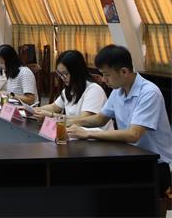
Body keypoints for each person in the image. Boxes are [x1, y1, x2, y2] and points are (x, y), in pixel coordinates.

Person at [68, 45, 171, 198]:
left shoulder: (149, 93)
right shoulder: (118, 91)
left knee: (101, 183)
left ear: (124, 71)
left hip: (155, 165)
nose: (104, 80)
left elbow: (133, 135)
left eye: (106, 75)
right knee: (88, 174)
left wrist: (88, 134)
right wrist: (68, 122)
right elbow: (100, 119)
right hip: (130, 157)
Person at [33, 50, 108, 123]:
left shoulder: (94, 90)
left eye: (65, 73)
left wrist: (51, 116)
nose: (63, 78)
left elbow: (83, 119)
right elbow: (54, 107)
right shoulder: (69, 89)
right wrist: (34, 110)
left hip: (93, 131)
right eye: (60, 74)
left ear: (77, 72)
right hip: (75, 130)